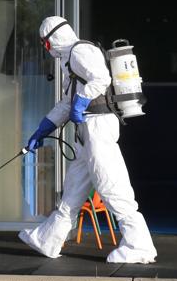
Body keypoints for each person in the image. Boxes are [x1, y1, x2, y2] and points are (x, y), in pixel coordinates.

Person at [18, 16, 157, 264]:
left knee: (111, 185)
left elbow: (101, 79)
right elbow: (67, 102)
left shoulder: (81, 51)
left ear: (51, 40)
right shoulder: (69, 61)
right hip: (87, 130)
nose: (45, 49)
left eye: (44, 43)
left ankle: (139, 246)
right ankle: (48, 239)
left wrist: (81, 103)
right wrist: (44, 128)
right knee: (73, 189)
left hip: (98, 127)